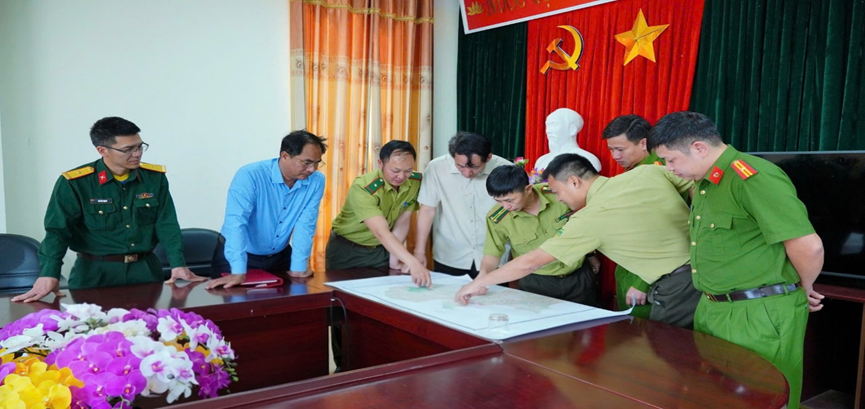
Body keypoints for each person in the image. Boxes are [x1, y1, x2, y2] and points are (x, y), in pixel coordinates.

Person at [650, 111, 824, 408]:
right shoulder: (706, 183)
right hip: (713, 307)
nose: (669, 168)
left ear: (699, 148)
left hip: (756, 313)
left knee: (764, 397)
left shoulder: (752, 177)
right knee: (720, 397)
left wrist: (803, 288)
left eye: (671, 160)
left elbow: (808, 246)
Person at [455, 153, 703, 329]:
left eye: (558, 192)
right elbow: (697, 184)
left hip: (676, 287)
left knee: (667, 352)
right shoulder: (647, 172)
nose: (559, 199)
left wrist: (479, 283)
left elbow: (530, 262)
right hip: (704, 269)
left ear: (574, 181)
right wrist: (697, 228)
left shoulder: (588, 218)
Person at [12, 117, 205, 303]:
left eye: (139, 146)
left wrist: (178, 264)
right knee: (93, 325)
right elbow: (58, 231)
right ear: (102, 150)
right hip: (95, 273)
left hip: (145, 270)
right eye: (127, 149)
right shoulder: (76, 183)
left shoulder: (154, 178)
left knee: (149, 323)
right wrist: (49, 273)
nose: (137, 154)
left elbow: (166, 223)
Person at [206, 131, 327, 289]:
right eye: (306, 162)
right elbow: (236, 223)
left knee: (291, 300)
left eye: (317, 163)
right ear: (285, 156)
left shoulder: (316, 181)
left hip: (279, 257)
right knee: (235, 301)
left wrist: (298, 266)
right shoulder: (250, 175)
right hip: (237, 255)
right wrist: (237, 269)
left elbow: (306, 224)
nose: (312, 169)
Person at [481, 165, 599, 305]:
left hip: (578, 277)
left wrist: (591, 256)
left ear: (528, 189)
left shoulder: (557, 193)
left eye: (510, 200)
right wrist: (481, 279)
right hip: (536, 283)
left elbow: (584, 225)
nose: (506, 207)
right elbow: (492, 255)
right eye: (498, 201)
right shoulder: (497, 218)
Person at [326, 140, 429, 286]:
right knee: (345, 295)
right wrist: (413, 262)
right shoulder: (363, 187)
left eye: (408, 170)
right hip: (348, 250)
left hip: (382, 250)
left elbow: (402, 222)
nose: (401, 176)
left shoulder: (414, 182)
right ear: (380, 163)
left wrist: (394, 260)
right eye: (395, 171)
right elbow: (381, 231)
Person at [413, 131, 511, 280]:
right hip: (450, 255)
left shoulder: (505, 169)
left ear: (488, 158)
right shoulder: (437, 168)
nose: (467, 173)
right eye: (460, 166)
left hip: (493, 256)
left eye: (475, 167)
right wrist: (419, 252)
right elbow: (427, 210)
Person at [601, 114, 665, 318]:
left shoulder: (658, 173)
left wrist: (642, 282)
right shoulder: (634, 171)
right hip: (629, 268)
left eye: (620, 149)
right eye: (611, 149)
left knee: (644, 332)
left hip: (650, 277)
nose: (615, 156)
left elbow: (662, 231)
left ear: (643, 143)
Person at [533, 108, 602, 173]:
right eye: (548, 125)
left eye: (554, 124)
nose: (548, 131)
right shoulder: (541, 160)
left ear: (572, 129)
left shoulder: (588, 159)